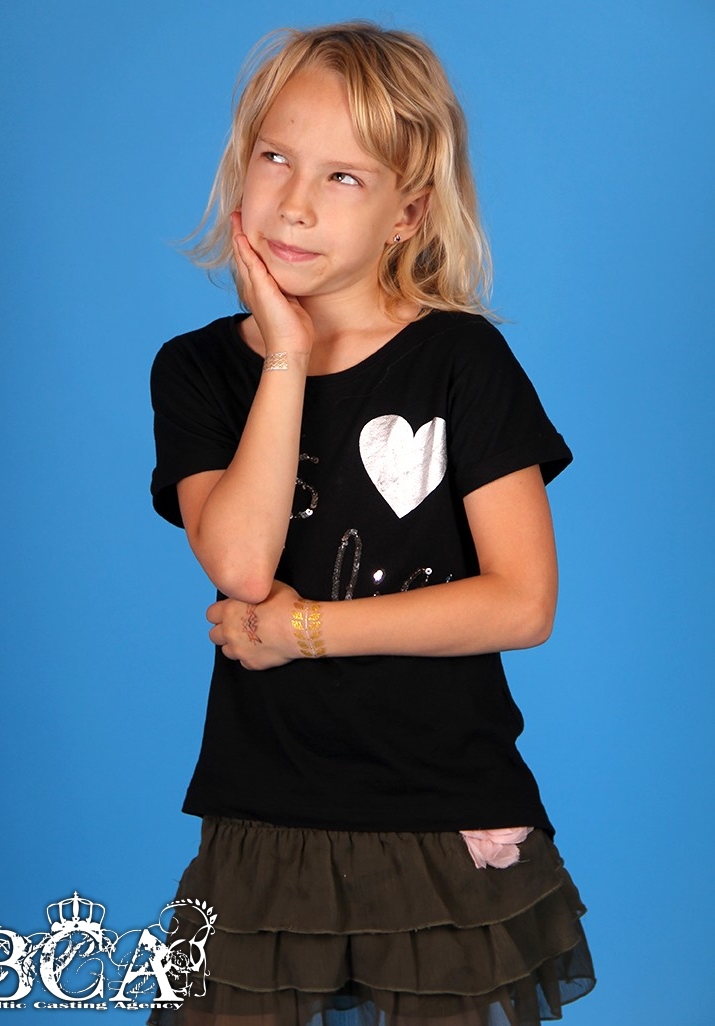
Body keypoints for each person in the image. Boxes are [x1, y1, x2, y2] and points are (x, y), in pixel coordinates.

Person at [148, 21, 595, 1026]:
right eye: (276, 158)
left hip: (442, 819)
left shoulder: (461, 362)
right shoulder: (198, 370)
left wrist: (305, 632)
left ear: (409, 212)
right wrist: (284, 355)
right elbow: (242, 562)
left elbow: (523, 604)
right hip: (264, 819)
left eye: (344, 177)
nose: (295, 203)